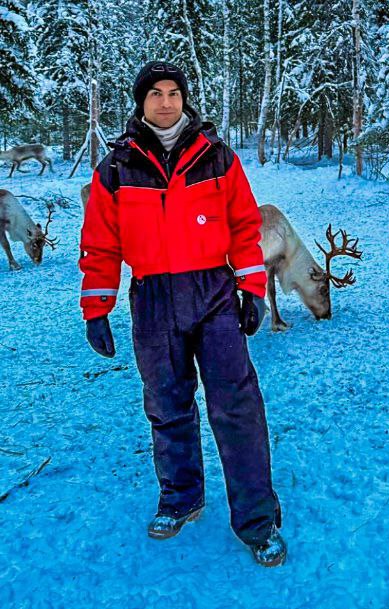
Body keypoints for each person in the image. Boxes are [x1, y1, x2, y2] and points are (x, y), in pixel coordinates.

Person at [79, 60, 286, 568]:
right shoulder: (116, 168)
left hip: (213, 293)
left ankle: (258, 521)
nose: (166, 102)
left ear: (184, 99)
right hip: (151, 298)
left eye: (174, 92)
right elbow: (101, 242)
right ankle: (181, 497)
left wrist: (253, 287)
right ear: (141, 102)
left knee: (236, 407)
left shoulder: (218, 158)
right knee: (167, 405)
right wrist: (96, 305)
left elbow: (244, 225)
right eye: (155, 93)